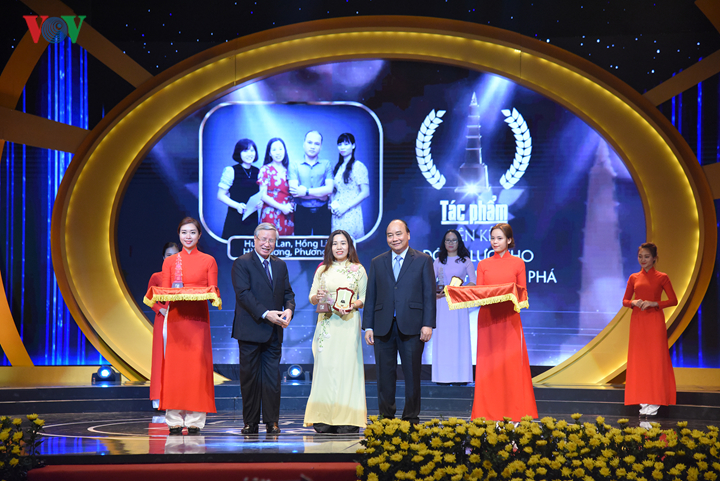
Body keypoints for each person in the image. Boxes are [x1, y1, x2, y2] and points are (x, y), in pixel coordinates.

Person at [362, 219, 435, 424]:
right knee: (384, 375)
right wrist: (368, 326)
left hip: (412, 325)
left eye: (398, 234)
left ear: (408, 235)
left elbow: (429, 295)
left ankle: (411, 417)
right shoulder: (377, 262)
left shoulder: (423, 260)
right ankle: (386, 417)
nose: (394, 238)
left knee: (412, 375)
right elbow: (371, 295)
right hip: (382, 326)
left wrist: (428, 324)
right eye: (390, 235)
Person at [231, 222, 295, 435]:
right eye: (264, 239)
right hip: (250, 330)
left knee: (272, 380)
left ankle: (272, 422)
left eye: (272, 240)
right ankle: (250, 422)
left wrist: (289, 309)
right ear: (255, 240)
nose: (267, 244)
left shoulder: (280, 265)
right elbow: (243, 294)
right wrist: (266, 313)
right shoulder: (242, 263)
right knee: (249, 379)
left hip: (274, 332)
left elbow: (288, 293)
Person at [472, 223, 537, 422]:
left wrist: (510, 296)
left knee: (511, 366)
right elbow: (479, 293)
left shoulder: (518, 263)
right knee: (488, 366)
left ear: (509, 240)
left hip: (509, 318)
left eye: (499, 238)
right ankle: (486, 412)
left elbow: (523, 292)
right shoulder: (483, 264)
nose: (495, 242)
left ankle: (514, 411)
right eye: (492, 238)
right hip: (488, 319)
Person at [304, 230, 368, 433]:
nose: (339, 247)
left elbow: (365, 297)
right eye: (335, 243)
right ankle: (323, 418)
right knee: (325, 368)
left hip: (348, 322)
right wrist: (318, 297)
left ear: (349, 246)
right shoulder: (322, 269)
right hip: (327, 323)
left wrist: (352, 305)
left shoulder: (358, 269)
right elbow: (311, 297)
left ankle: (348, 419)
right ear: (330, 247)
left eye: (343, 243)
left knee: (347, 369)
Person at [160, 218, 220, 434]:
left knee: (197, 368)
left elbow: (213, 290)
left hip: (198, 321)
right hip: (176, 320)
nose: (188, 236)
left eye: (192, 232)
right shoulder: (170, 262)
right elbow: (165, 292)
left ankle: (195, 420)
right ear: (179, 235)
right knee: (175, 369)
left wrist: (204, 293)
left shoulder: (208, 260)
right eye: (184, 232)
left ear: (199, 235)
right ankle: (174, 419)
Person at [623, 242, 678, 418]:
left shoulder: (662, 277)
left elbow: (673, 300)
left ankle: (654, 402)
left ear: (654, 258)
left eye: (646, 257)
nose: (643, 260)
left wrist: (655, 303)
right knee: (639, 360)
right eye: (640, 256)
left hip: (654, 321)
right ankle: (643, 401)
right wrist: (633, 302)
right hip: (638, 321)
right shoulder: (633, 277)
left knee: (655, 359)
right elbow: (625, 301)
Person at [433, 229, 476, 384]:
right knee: (443, 339)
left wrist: (458, 290)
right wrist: (435, 293)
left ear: (459, 242)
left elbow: (473, 282)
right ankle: (441, 377)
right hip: (441, 304)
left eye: (454, 240)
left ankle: (461, 376)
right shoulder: (438, 261)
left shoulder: (465, 261)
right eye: (448, 240)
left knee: (459, 338)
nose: (450, 243)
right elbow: (430, 282)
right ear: (444, 243)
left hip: (458, 303)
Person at [148, 241, 180, 409]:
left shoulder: (184, 278)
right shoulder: (157, 277)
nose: (172, 258)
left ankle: (178, 398)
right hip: (163, 320)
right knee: (161, 358)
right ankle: (159, 399)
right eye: (169, 255)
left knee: (179, 359)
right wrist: (160, 309)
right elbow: (149, 299)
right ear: (163, 257)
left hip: (180, 321)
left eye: (175, 255)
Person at [288, 130, 334, 235]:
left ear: (321, 147)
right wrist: (322, 195)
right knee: (302, 244)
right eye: (309, 142)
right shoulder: (294, 165)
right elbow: (295, 192)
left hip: (323, 212)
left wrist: (306, 192)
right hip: (302, 212)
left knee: (324, 244)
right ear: (304, 144)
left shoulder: (327, 164)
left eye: (316, 144)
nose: (312, 146)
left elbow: (329, 189)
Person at [217, 138, 261, 238]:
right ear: (239, 152)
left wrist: (259, 203)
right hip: (235, 217)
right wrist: (237, 206)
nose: (249, 154)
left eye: (252, 150)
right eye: (245, 151)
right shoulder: (231, 170)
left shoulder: (258, 171)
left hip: (252, 218)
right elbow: (220, 195)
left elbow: (258, 195)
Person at [330, 133, 370, 240]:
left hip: (351, 212)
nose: (342, 147)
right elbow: (334, 190)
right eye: (340, 144)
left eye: (346, 144)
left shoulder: (358, 166)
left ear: (353, 145)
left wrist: (346, 207)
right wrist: (332, 205)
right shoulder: (338, 167)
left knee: (349, 243)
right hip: (337, 213)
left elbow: (365, 192)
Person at [258, 138, 294, 235]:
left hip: (287, 213)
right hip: (270, 213)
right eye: (274, 150)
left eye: (280, 149)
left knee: (287, 243)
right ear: (269, 153)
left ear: (285, 151)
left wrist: (289, 206)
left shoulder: (290, 170)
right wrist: (281, 207)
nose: (278, 152)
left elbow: (293, 194)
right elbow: (263, 195)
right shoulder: (265, 170)